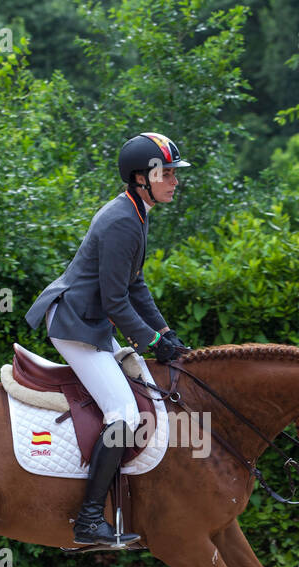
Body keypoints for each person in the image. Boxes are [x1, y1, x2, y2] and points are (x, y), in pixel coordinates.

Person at [24, 132, 192, 545]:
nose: (174, 181)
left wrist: (166, 333)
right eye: (166, 173)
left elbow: (135, 287)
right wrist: (151, 341)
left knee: (142, 395)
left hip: (92, 322)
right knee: (124, 414)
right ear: (141, 178)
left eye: (174, 173)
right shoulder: (122, 221)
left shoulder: (136, 212)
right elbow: (116, 301)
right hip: (78, 325)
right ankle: (86, 521)